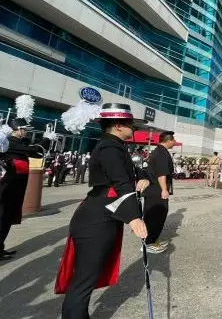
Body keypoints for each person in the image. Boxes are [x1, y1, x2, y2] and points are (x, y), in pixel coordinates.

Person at [56, 103, 150, 319]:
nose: (133, 129)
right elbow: (120, 182)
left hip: (103, 215)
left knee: (87, 277)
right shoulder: (109, 148)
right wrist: (134, 217)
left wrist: (144, 177)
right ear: (118, 125)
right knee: (83, 281)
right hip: (96, 218)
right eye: (130, 125)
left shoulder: (115, 146)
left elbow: (136, 171)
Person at [0, 118, 51, 259]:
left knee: (7, 219)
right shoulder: (8, 141)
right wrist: (45, 139)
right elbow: (34, 149)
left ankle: (0, 247)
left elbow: (38, 153)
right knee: (2, 218)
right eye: (24, 129)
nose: (26, 132)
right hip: (6, 188)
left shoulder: (21, 142)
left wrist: (47, 140)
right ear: (18, 130)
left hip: (16, 188)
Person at [143, 131, 177, 254]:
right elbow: (162, 173)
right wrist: (164, 190)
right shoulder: (162, 153)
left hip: (152, 190)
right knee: (157, 215)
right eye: (173, 140)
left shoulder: (158, 151)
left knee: (152, 215)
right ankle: (149, 243)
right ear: (168, 140)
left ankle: (150, 240)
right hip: (157, 190)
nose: (174, 142)